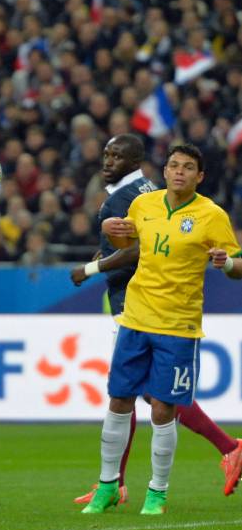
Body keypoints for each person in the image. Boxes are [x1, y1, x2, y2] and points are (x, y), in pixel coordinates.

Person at [71, 134, 242, 503]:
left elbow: (132, 252)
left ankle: (221, 450)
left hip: (163, 315)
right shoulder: (145, 198)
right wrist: (109, 233)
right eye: (106, 153)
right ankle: (113, 483)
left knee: (154, 398)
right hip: (136, 310)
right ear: (164, 170)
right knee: (127, 395)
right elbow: (132, 240)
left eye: (116, 155)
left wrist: (90, 267)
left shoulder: (199, 212)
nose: (107, 160)